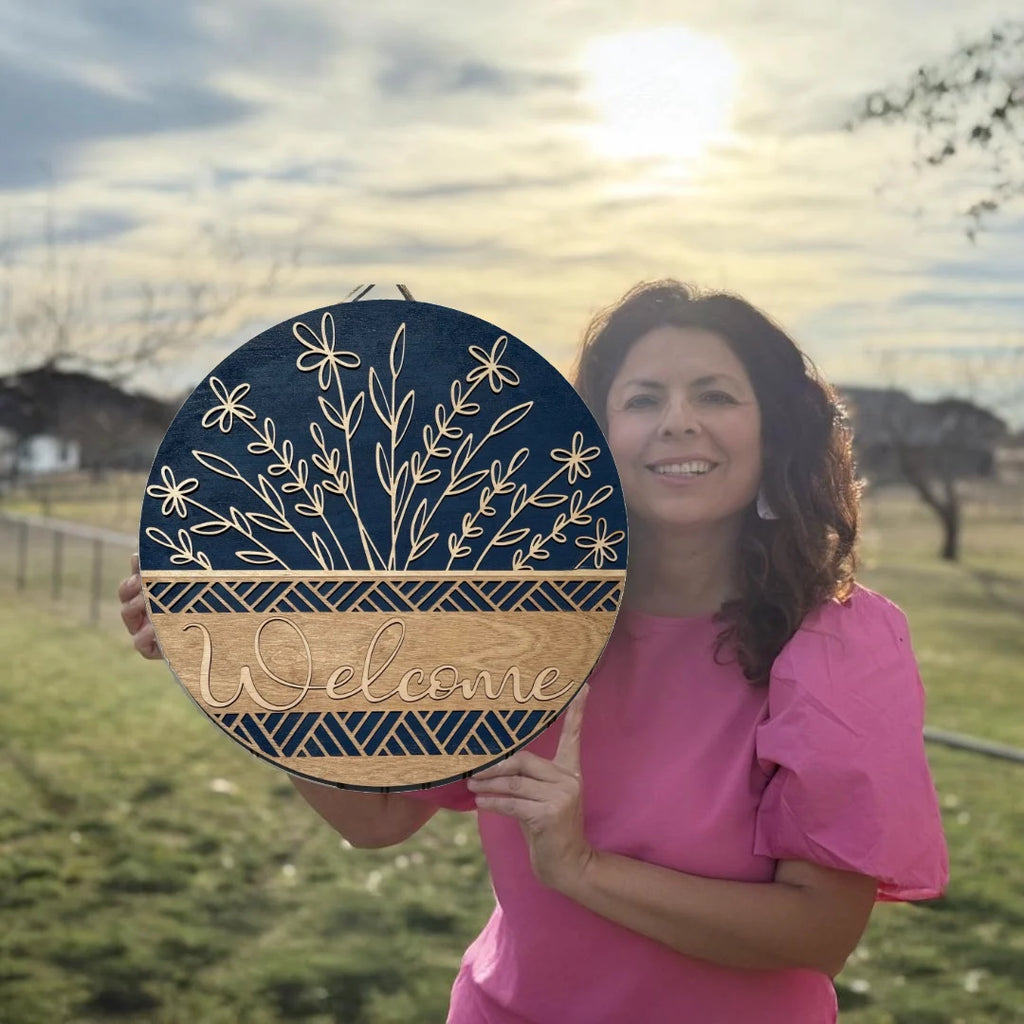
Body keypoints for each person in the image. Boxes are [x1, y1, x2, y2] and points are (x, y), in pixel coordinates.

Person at [119, 280, 949, 1023]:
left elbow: (820, 930)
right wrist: (240, 669)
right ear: (595, 435)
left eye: (717, 395)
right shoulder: (515, 612)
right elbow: (375, 818)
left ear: (774, 432)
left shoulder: (838, 641)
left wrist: (581, 868)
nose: (678, 422)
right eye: (643, 398)